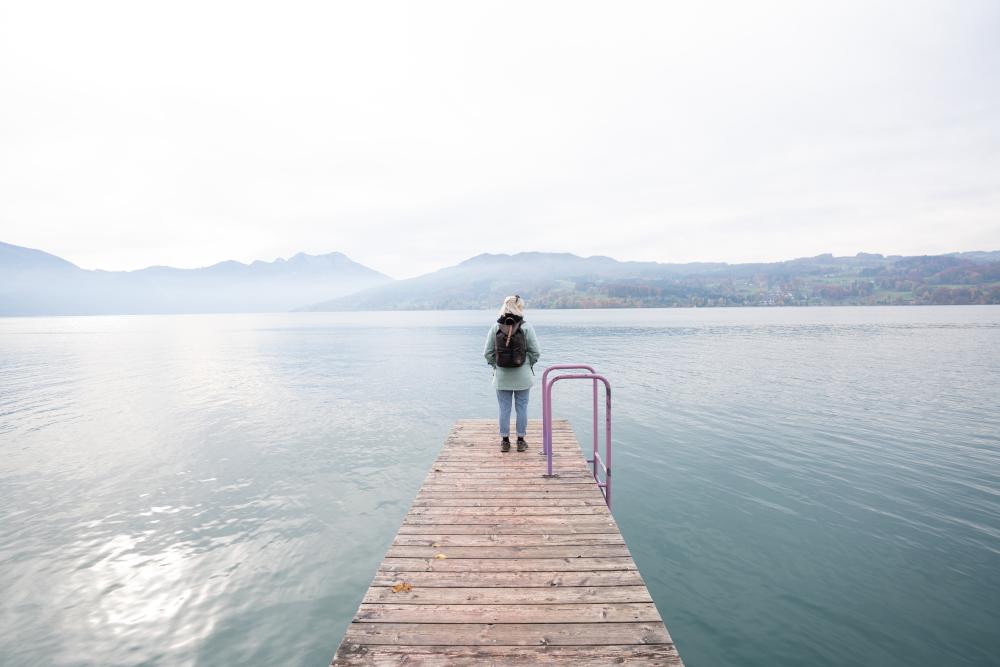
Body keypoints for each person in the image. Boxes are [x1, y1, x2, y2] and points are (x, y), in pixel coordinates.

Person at [484, 295, 541, 452]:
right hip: (523, 377)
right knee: (522, 408)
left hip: (502, 378)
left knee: (504, 409)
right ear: (519, 308)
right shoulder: (526, 327)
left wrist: (496, 366)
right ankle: (521, 441)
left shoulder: (496, 327)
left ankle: (505, 442)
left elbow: (487, 353)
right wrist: (528, 364)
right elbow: (536, 352)